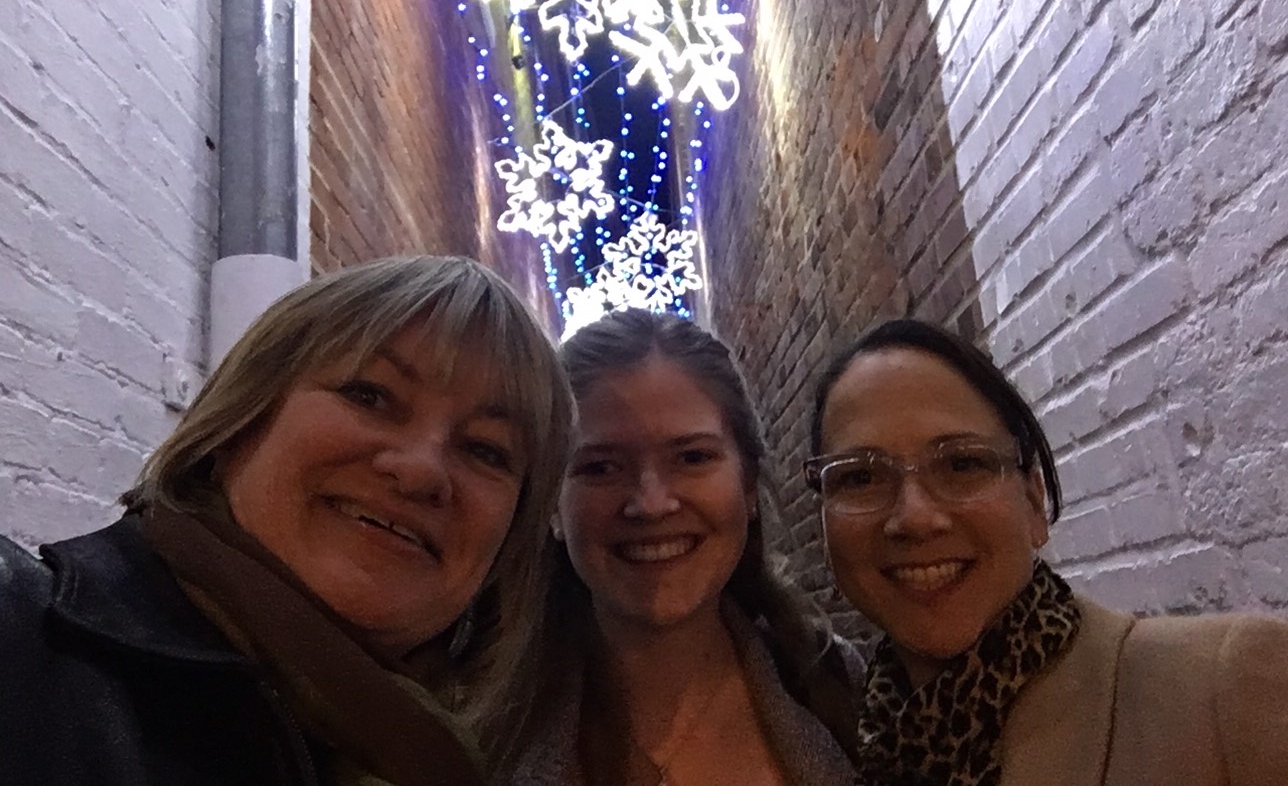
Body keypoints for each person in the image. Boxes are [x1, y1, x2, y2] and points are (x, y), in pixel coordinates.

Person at [0, 255, 575, 786]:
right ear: (241, 420)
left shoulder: (458, 761)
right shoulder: (22, 645)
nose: (421, 471)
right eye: (370, 395)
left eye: (486, 450)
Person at [805, 317, 1288, 786]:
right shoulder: (849, 749)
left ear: (1035, 502)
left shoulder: (1225, 691)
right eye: (860, 477)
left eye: (962, 463)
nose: (914, 517)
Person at [498, 309, 858, 786]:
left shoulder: (842, 689)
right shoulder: (477, 733)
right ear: (551, 504)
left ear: (748, 484)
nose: (651, 504)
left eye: (692, 457)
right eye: (602, 467)